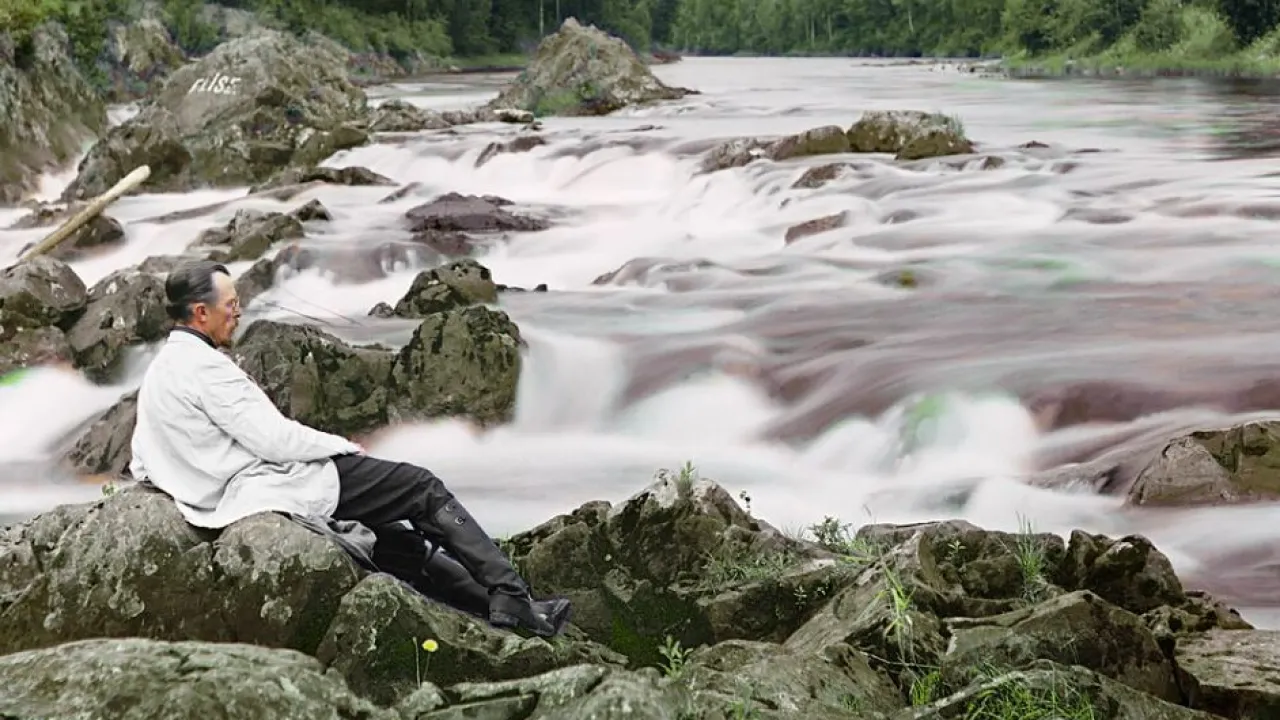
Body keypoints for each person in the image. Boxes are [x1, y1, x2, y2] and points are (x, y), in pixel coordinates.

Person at [128, 259, 569, 637]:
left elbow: (140, 459)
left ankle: (507, 609)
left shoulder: (161, 371)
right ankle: (511, 595)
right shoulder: (207, 369)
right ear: (201, 312)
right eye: (232, 305)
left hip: (226, 494)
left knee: (393, 540)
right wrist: (341, 446)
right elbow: (276, 440)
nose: (239, 313)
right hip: (261, 486)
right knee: (421, 488)